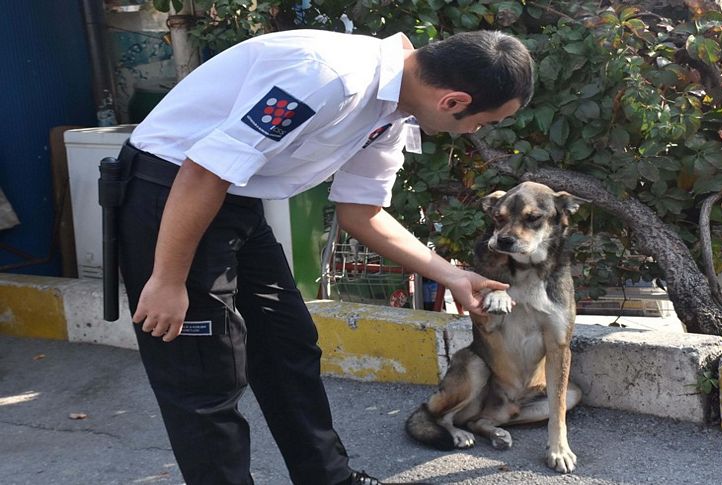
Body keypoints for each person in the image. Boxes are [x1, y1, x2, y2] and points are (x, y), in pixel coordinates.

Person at [117, 28, 534, 485]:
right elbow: (204, 170)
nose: (478, 132)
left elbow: (361, 213)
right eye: (486, 122)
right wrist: (167, 280)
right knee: (202, 374)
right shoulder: (327, 78)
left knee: (287, 346)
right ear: (453, 102)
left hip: (234, 200)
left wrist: (452, 276)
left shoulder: (396, 108)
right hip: (171, 194)